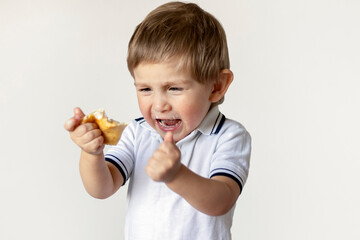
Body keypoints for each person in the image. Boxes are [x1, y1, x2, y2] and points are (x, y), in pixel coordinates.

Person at [64, 2, 251, 239]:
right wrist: (91, 153)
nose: (159, 104)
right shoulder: (137, 132)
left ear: (216, 86)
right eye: (145, 89)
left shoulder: (228, 136)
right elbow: (101, 188)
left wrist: (177, 176)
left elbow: (221, 200)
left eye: (174, 88)